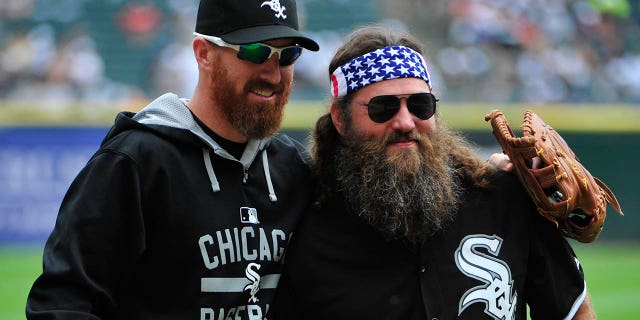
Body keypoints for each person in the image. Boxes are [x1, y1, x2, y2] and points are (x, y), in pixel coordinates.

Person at [271, 25, 596, 319]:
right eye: (383, 108)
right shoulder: (306, 227)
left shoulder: (504, 199)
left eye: (420, 105)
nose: (405, 122)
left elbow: (572, 310)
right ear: (340, 120)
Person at [26, 0, 319, 319]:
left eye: (288, 54)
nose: (274, 74)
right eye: (254, 52)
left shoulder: (294, 168)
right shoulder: (135, 162)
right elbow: (62, 303)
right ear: (204, 53)